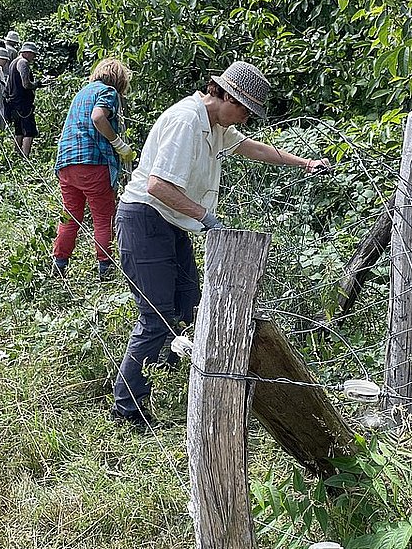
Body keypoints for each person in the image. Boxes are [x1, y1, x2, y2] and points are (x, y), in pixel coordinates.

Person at [111, 60, 330, 426]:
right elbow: (157, 186)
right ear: (225, 94)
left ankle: (166, 379)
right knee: (156, 316)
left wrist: (305, 162)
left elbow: (254, 148)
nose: (244, 118)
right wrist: (207, 218)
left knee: (188, 305)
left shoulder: (215, 125)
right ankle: (127, 408)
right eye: (243, 109)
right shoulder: (187, 121)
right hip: (144, 221)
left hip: (169, 224)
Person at [51, 59, 136, 281]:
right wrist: (118, 143)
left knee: (70, 216)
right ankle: (105, 269)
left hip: (66, 162)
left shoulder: (82, 92)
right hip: (93, 162)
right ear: (119, 80)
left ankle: (59, 265)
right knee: (102, 217)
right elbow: (98, 117)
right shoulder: (108, 92)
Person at [4, 42, 41, 158]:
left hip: (14, 102)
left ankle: (17, 154)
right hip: (23, 103)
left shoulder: (13, 62)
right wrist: (37, 84)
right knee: (29, 131)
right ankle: (26, 157)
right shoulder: (23, 63)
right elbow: (26, 84)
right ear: (27, 53)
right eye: (33, 54)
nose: (34, 58)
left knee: (19, 130)